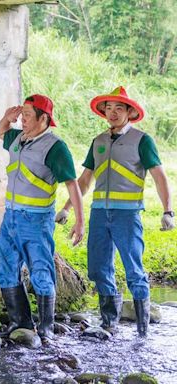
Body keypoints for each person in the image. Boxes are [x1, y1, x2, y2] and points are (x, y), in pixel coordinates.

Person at [56, 86, 175, 337]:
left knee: (134, 268)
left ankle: (142, 330)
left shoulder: (142, 140)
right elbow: (85, 180)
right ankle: (109, 323)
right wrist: (67, 208)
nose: (112, 113)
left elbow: (160, 177)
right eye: (108, 108)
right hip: (99, 215)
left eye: (118, 108)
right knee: (99, 268)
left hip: (127, 215)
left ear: (130, 112)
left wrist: (168, 211)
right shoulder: (98, 141)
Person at [0, 94, 84, 341]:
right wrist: (6, 118)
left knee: (40, 270)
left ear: (44, 118)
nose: (22, 119)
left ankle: (45, 326)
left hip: (36, 221)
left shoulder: (55, 148)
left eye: (27, 115)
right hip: (10, 218)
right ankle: (19, 322)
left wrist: (79, 221)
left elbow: (72, 184)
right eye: (21, 114)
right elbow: (1, 132)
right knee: (4, 268)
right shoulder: (17, 138)